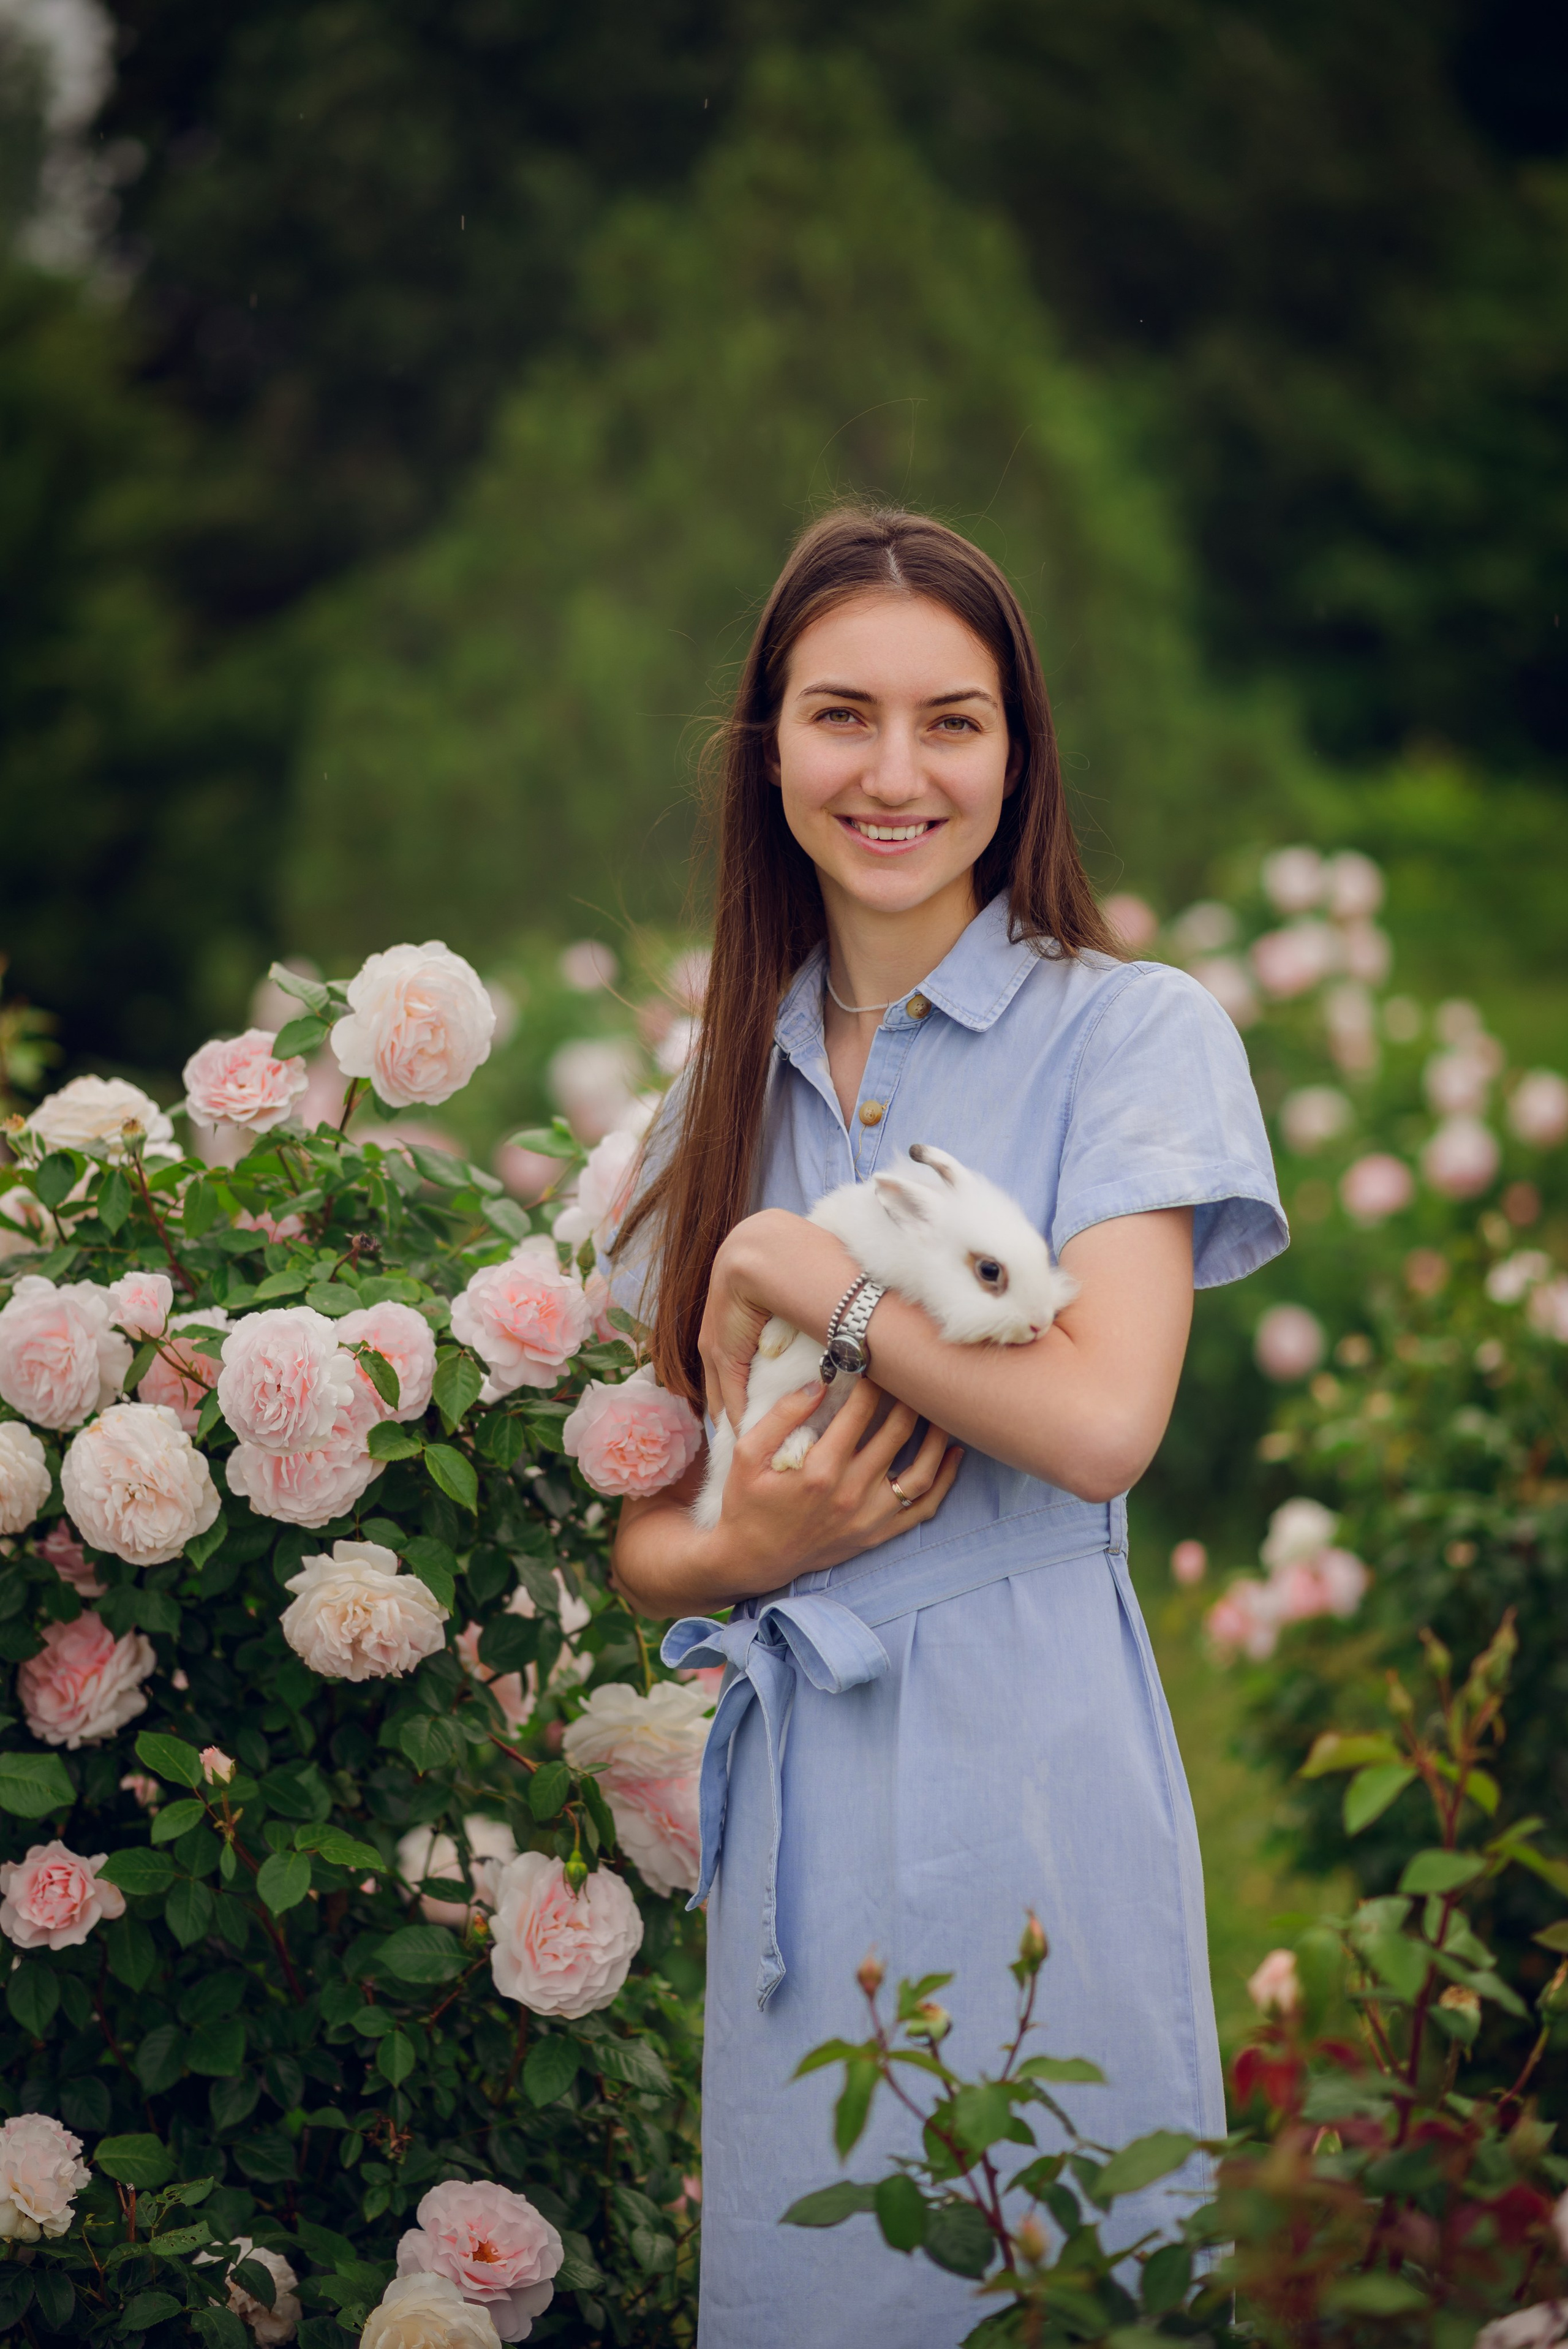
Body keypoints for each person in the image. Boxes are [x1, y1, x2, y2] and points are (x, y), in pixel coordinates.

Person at [610, 506, 1286, 2348]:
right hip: (800, 1796)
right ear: (769, 755)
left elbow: (1097, 1420)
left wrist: (813, 1280)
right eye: (841, 716)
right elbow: (637, 1525)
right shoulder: (711, 1094)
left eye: (953, 720)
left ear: (1020, 751)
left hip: (1034, 1761)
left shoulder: (1130, 1032)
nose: (894, 773)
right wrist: (744, 1555)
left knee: (1056, 2267)